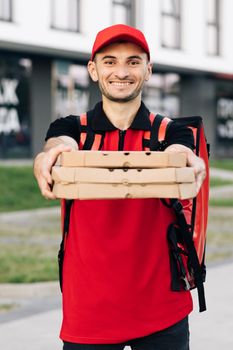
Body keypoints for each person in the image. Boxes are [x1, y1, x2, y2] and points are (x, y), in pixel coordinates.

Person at [34, 24, 206, 350]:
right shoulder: (72, 128)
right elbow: (57, 144)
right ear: (93, 70)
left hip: (162, 308)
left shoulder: (172, 131)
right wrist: (46, 158)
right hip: (89, 310)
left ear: (148, 69)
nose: (122, 71)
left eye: (133, 61)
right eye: (110, 61)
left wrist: (188, 159)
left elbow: (180, 152)